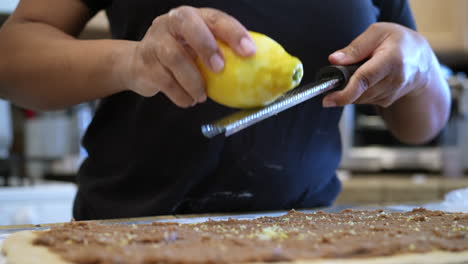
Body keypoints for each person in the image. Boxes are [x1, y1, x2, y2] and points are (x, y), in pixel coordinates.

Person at [0, 0, 450, 220]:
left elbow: (422, 125)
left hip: (306, 240)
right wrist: (131, 61)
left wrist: (422, 67)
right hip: (130, 236)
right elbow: (11, 56)